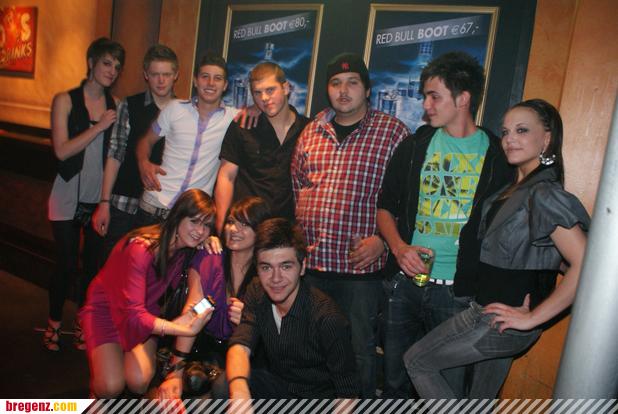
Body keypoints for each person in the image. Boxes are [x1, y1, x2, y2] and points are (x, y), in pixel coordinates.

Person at [403, 99, 590, 398]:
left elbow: (585, 265)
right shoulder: (516, 189)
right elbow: (556, 258)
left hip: (497, 320)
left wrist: (533, 317)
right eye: (505, 132)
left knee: (416, 362)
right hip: (494, 315)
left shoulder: (544, 193)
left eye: (522, 130)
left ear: (547, 139)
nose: (509, 139)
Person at [376, 51, 513, 397]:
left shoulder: (498, 157)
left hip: (459, 295)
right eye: (425, 96)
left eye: (434, 96)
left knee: (445, 390)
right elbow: (384, 208)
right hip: (404, 286)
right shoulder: (414, 146)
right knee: (393, 383)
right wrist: (399, 248)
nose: (426, 105)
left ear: (463, 98)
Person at [290, 52, 409, 397]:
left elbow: (407, 200)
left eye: (352, 82)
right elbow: (297, 188)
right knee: (310, 347)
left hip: (360, 269)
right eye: (336, 83)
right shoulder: (311, 131)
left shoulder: (393, 133)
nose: (343, 91)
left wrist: (384, 242)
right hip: (313, 265)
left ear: (368, 89)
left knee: (358, 352)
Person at [80, 189, 225, 398]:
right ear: (178, 216)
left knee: (139, 381)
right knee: (110, 387)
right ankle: (97, 386)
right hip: (107, 311)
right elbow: (133, 315)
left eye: (207, 225)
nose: (200, 231)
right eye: (194, 221)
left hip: (144, 313)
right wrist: (180, 328)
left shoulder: (186, 248)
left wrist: (209, 242)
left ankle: (114, 358)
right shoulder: (142, 248)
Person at [216, 218, 359, 398]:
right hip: (279, 389)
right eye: (266, 268)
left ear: (302, 267)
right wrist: (239, 390)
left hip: (317, 401)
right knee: (225, 384)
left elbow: (348, 393)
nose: (276, 278)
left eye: (285, 266)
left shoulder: (327, 317)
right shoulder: (257, 290)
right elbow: (241, 345)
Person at [45, 37, 125, 352]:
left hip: (97, 199)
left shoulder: (116, 105)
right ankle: (53, 323)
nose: (112, 70)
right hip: (66, 195)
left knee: (92, 268)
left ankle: (82, 323)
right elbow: (62, 151)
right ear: (91, 63)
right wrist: (99, 126)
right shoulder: (65, 100)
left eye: (117, 66)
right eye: (107, 63)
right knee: (65, 264)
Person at [92, 44, 179, 260]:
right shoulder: (129, 105)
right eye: (155, 74)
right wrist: (104, 203)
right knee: (113, 265)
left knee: (149, 271)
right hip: (124, 202)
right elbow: (115, 154)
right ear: (146, 75)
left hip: (161, 209)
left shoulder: (183, 110)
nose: (161, 80)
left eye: (166, 74)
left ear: (176, 75)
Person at [135, 52, 239, 226]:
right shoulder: (174, 108)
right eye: (205, 76)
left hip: (191, 217)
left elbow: (260, 110)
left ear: (225, 85)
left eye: (217, 78)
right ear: (195, 81)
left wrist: (254, 109)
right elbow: (146, 141)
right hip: (153, 206)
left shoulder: (233, 118)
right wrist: (143, 162)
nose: (211, 83)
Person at [214, 62, 309, 233]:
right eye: (257, 93)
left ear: (286, 88)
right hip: (246, 228)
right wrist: (221, 228)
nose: (264, 98)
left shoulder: (308, 130)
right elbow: (226, 177)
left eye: (270, 90)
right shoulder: (242, 125)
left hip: (285, 230)